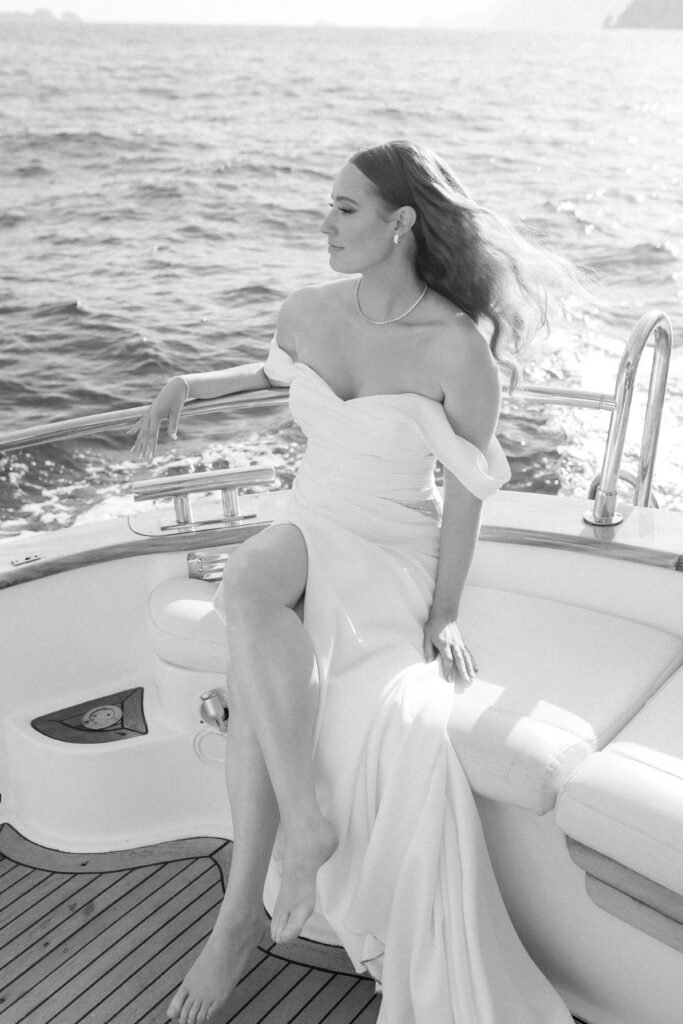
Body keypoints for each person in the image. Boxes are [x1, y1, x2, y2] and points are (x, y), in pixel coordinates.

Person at [132, 140, 574, 1024]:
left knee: (254, 671)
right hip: (310, 518)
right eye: (326, 206)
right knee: (249, 577)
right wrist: (186, 381)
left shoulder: (456, 351)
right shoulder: (306, 310)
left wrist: (444, 612)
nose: (324, 223)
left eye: (343, 209)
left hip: (390, 544)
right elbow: (270, 374)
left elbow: (465, 497)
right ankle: (306, 826)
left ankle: (236, 921)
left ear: (400, 222)